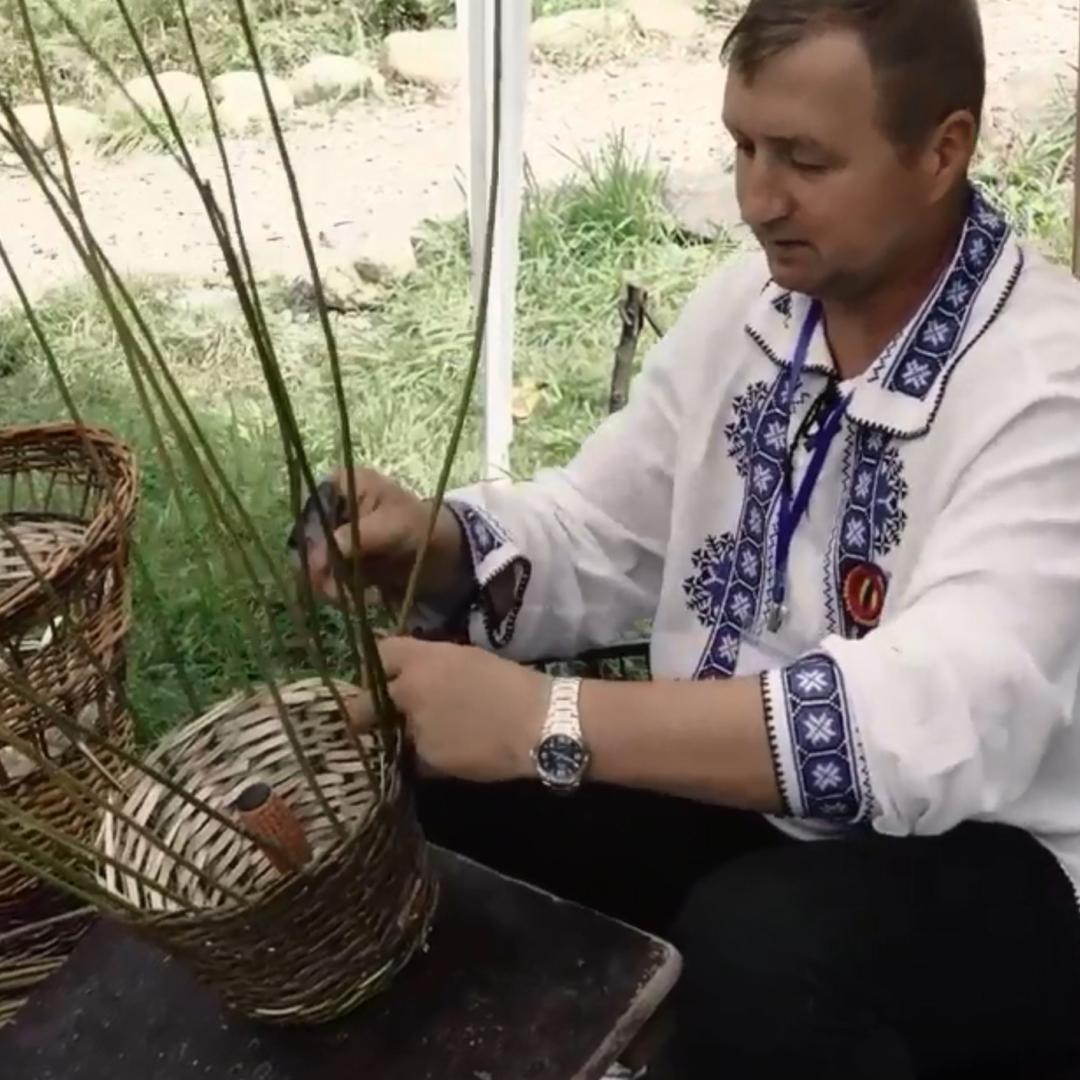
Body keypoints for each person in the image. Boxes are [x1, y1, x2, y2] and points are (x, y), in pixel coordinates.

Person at [301, 1, 1080, 1076]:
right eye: (743, 148)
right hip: (747, 811)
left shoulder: (1047, 386)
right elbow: (603, 528)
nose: (757, 200)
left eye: (804, 159)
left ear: (944, 149)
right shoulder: (755, 313)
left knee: (767, 947)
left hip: (998, 865)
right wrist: (436, 547)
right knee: (441, 787)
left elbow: (928, 720)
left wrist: (548, 719)